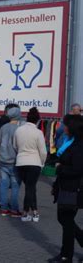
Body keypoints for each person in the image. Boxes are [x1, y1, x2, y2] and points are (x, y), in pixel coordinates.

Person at [50, 115, 83, 262]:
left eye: (66, 125)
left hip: (72, 189)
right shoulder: (73, 142)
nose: (64, 128)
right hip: (66, 187)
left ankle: (66, 255)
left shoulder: (79, 146)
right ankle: (66, 254)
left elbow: (77, 169)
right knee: (65, 219)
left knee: (66, 219)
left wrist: (60, 168)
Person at [14, 107, 47, 222]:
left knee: (30, 187)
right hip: (34, 162)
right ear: (37, 120)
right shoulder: (38, 133)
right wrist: (42, 163)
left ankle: (35, 211)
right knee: (30, 188)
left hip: (21, 162)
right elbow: (43, 151)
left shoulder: (18, 130)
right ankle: (26, 212)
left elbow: (15, 146)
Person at [0, 107, 23, 217]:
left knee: (3, 184)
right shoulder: (19, 129)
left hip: (3, 160)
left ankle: (4, 208)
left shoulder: (3, 127)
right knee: (15, 186)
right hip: (14, 161)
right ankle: (14, 209)